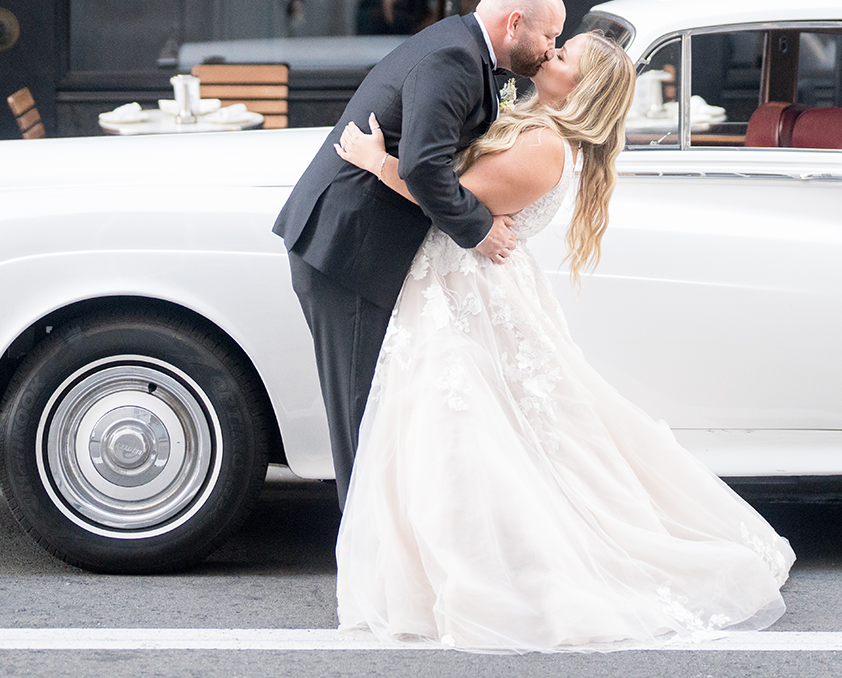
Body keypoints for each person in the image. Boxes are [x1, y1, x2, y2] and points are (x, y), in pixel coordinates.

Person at [329, 32, 794, 651]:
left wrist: (377, 163)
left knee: (472, 429)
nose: (550, 56)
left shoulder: (546, 146)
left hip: (468, 296)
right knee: (452, 429)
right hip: (454, 285)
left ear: (583, 87)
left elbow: (450, 202)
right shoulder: (532, 124)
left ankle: (493, 573)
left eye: (563, 56)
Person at [273, 0, 566, 505]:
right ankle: (364, 559)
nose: (551, 50)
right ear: (514, 23)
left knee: (380, 407)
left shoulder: (465, 51)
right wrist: (479, 231)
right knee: (361, 411)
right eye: (549, 37)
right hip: (348, 249)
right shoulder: (454, 57)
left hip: (363, 242)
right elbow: (425, 165)